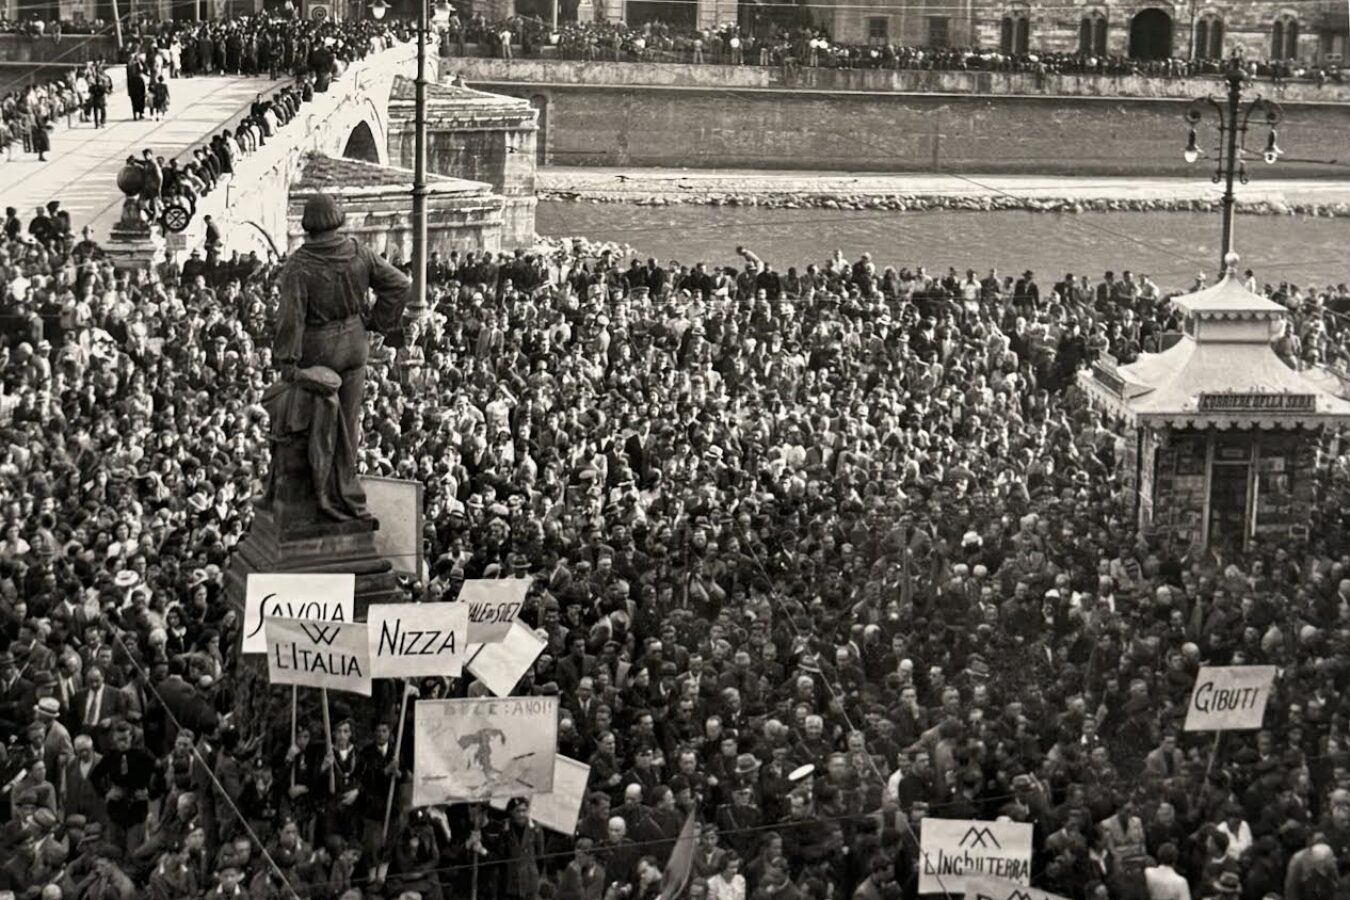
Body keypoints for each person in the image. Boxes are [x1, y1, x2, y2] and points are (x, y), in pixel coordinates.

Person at [268, 191, 410, 520]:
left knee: (316, 427)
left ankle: (318, 496)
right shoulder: (359, 252)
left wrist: (287, 361)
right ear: (337, 220)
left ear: (308, 225)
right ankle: (347, 492)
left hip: (318, 350)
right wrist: (377, 322)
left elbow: (291, 318)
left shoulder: (299, 265)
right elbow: (399, 284)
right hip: (355, 345)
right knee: (349, 423)